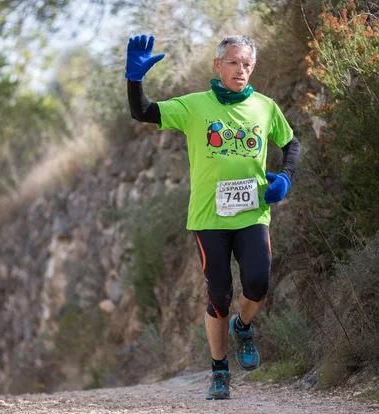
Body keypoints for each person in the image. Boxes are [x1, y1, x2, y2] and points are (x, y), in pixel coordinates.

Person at [125, 34, 300, 400]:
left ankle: (244, 327)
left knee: (257, 284)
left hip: (253, 213)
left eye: (247, 64)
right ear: (218, 65)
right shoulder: (194, 106)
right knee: (219, 296)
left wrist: (285, 177)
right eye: (234, 62)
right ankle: (219, 371)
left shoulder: (266, 107)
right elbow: (142, 111)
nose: (241, 69)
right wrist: (134, 80)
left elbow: (291, 144)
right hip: (208, 218)